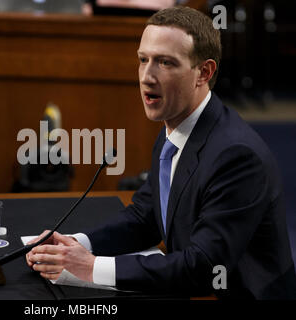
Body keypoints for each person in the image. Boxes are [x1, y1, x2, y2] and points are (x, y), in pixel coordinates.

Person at [25, 6, 296, 299]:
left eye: (165, 63)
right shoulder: (174, 130)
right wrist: (76, 244)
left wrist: (92, 267)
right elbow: (147, 216)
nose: (147, 76)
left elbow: (204, 267)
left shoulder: (237, 156)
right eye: (143, 60)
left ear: (203, 73)